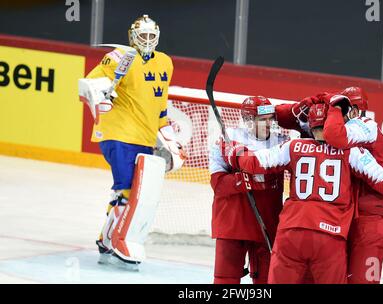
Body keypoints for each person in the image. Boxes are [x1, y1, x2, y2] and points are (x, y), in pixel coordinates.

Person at [221, 102, 383, 283]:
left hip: (291, 234)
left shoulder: (292, 146)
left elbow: (253, 163)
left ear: (309, 124)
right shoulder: (350, 152)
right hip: (330, 237)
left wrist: (233, 150)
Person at [78, 15, 185, 269]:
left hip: (144, 136)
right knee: (127, 188)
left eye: (151, 36)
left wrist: (169, 138)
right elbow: (87, 85)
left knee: (129, 192)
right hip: (118, 133)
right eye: (142, 36)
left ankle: (105, 239)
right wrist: (101, 96)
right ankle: (120, 241)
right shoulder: (118, 57)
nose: (147, 41)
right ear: (132, 37)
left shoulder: (166, 63)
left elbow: (159, 108)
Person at [322, 87, 383, 283]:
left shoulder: (364, 125)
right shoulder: (361, 136)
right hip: (355, 217)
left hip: (373, 221)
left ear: (353, 109)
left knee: (362, 281)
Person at [209, 96, 287, 284]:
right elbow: (218, 184)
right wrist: (245, 180)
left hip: (267, 223)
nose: (268, 124)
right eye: (263, 120)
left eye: (271, 118)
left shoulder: (282, 142)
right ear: (248, 120)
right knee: (225, 279)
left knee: (267, 280)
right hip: (232, 222)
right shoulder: (227, 138)